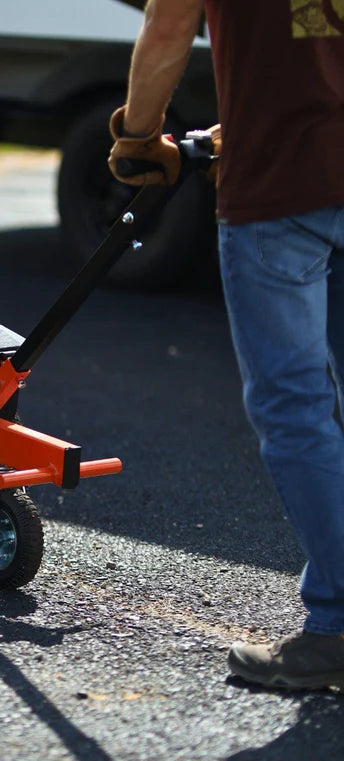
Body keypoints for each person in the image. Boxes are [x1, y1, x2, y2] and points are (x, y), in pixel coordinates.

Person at [109, 0, 344, 690]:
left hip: (282, 184)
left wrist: (139, 136)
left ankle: (338, 624)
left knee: (296, 407)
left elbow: (169, 22)